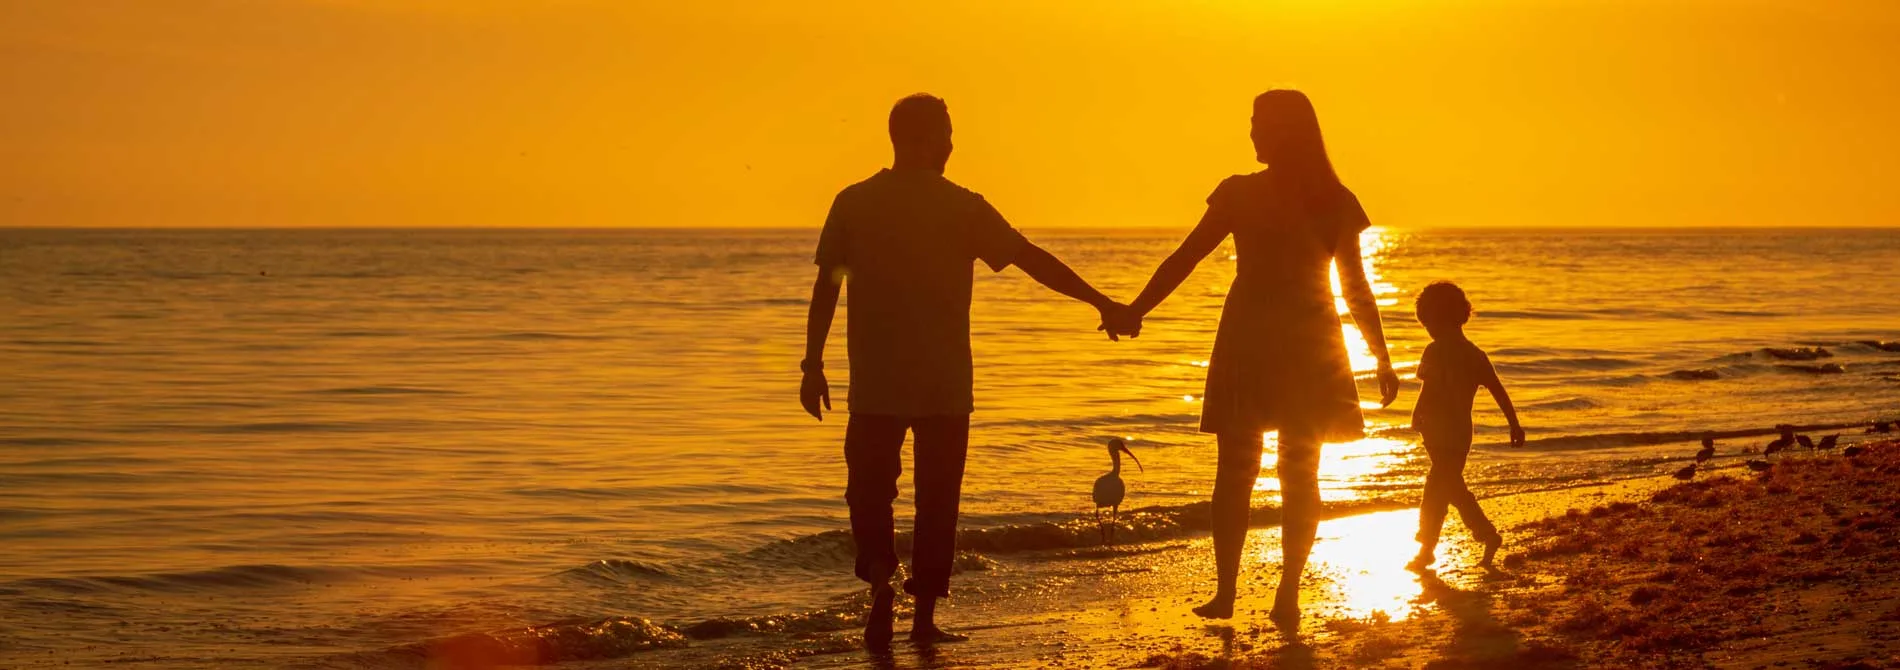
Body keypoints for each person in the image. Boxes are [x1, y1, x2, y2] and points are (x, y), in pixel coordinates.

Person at [801, 93, 1125, 649]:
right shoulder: (963, 206)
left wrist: (812, 364)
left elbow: (826, 287)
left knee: (869, 493)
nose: (953, 144)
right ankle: (923, 617)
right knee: (938, 500)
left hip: (875, 384)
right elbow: (1033, 260)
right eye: (947, 133)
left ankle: (881, 581)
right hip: (944, 386)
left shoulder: (853, 202)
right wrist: (1102, 302)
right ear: (929, 139)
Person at [1103, 90, 1399, 633]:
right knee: (1288, 473)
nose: (1252, 134)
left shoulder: (1281, 196)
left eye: (1260, 124)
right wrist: (1136, 308)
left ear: (1286, 131)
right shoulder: (1316, 196)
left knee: (1249, 472)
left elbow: (1355, 284)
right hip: (1303, 340)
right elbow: (1189, 257)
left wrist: (1381, 354)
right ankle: (1259, 592)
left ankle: (1249, 592)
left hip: (1260, 338)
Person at [1405, 281, 1524, 572]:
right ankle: (1430, 549)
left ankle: (1483, 535)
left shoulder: (1434, 351)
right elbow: (1497, 389)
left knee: (1444, 487)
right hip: (1455, 433)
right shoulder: (1474, 353)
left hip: (1442, 432)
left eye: (1429, 322)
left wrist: (1417, 414)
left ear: (1441, 318)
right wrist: (1514, 424)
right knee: (1442, 487)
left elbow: (1429, 389)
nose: (1428, 329)